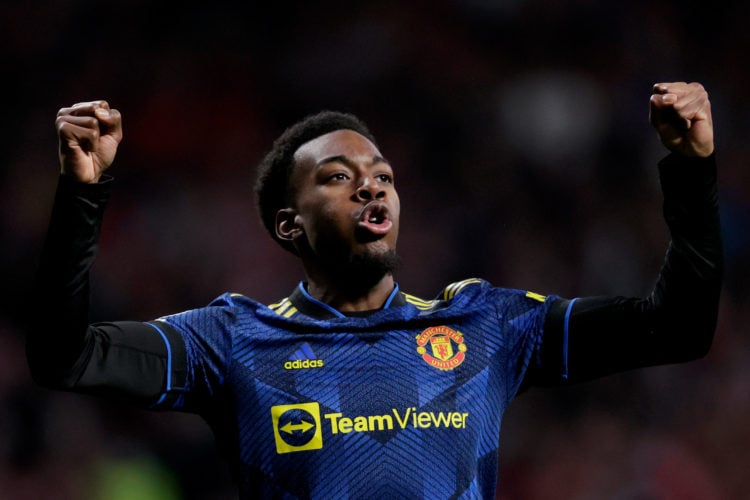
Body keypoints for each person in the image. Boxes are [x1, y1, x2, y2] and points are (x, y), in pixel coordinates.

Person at [27, 82, 722, 498]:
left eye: (382, 174)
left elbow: (679, 328)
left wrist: (691, 171)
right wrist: (83, 197)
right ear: (287, 225)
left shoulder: (489, 326)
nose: (370, 183)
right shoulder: (231, 342)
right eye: (336, 175)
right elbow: (66, 356)